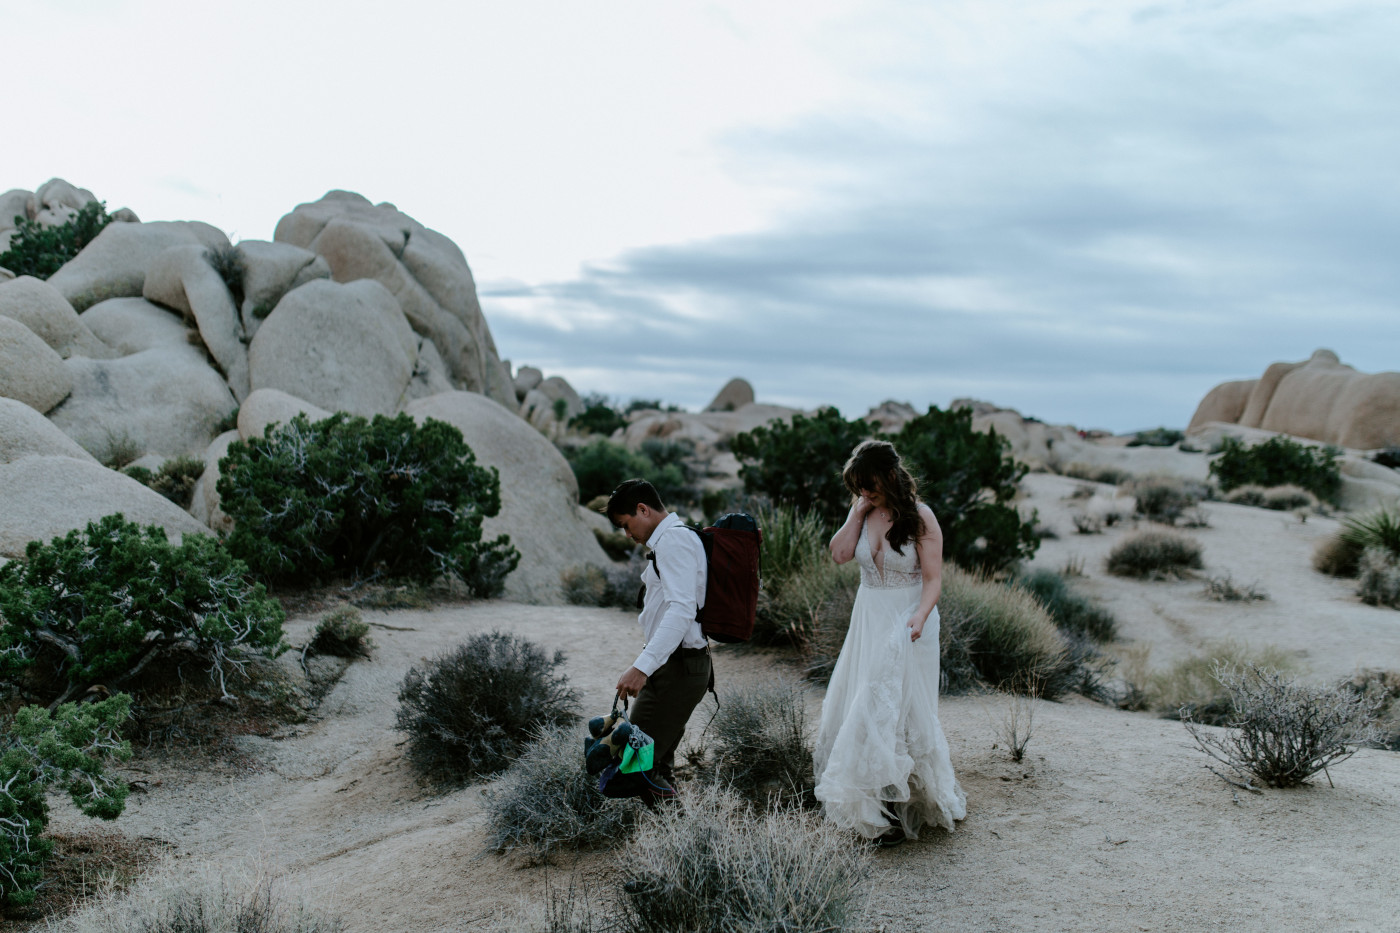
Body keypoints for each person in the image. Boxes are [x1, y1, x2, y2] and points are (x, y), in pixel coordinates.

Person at [813, 439, 967, 846]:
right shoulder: (862, 510)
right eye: (858, 486)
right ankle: (874, 804)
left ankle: (900, 804)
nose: (864, 492)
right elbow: (839, 554)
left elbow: (933, 580)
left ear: (890, 476)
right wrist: (858, 511)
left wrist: (919, 616)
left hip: (908, 619)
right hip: (869, 617)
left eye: (870, 485)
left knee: (895, 709)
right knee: (863, 702)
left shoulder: (920, 517)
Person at [607, 479, 712, 791]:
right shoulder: (673, 540)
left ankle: (683, 837)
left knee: (638, 767)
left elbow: (682, 611)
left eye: (626, 525)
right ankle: (675, 835)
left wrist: (641, 666)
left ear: (643, 509)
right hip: (673, 666)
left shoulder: (673, 542)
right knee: (656, 764)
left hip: (677, 670)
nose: (627, 535)